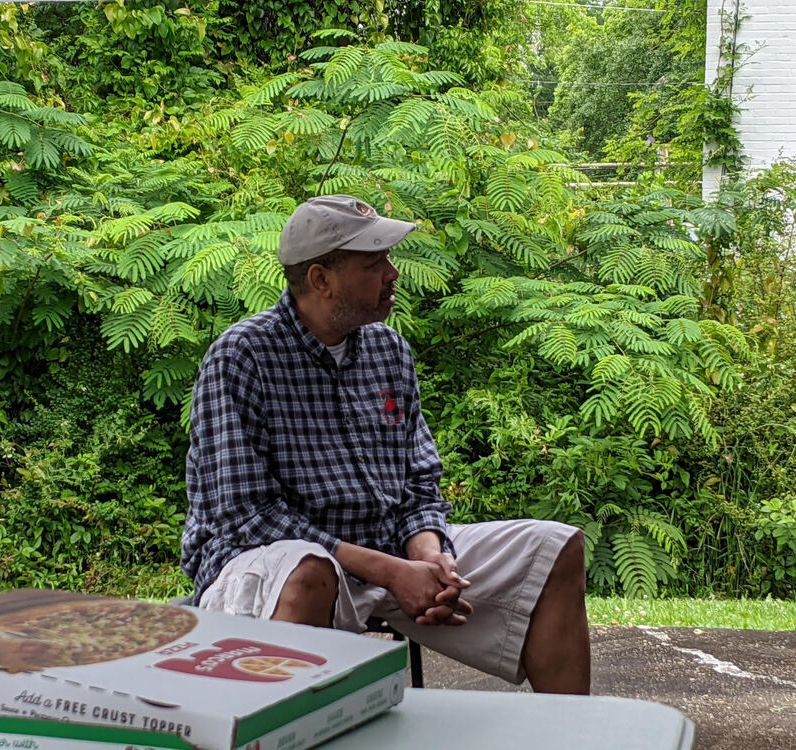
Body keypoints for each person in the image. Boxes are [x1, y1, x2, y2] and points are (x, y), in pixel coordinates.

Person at [180, 194, 590, 693]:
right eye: (375, 264)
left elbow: (419, 478)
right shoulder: (242, 356)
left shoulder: (388, 349)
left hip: (386, 553)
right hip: (268, 565)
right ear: (320, 280)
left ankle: (570, 731)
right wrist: (393, 571)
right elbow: (246, 516)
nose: (393, 274)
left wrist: (428, 552)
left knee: (555, 547)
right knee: (308, 572)